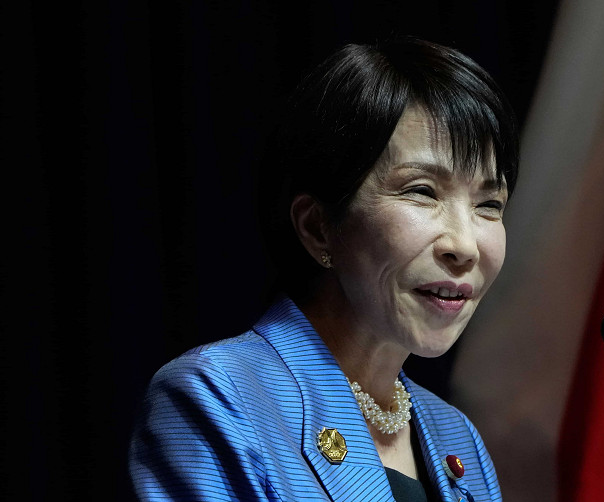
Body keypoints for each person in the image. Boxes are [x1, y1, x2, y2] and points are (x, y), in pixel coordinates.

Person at [128, 35, 519, 501]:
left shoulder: (458, 438)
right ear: (318, 228)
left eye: (489, 204)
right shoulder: (218, 398)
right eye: (422, 191)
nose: (466, 246)